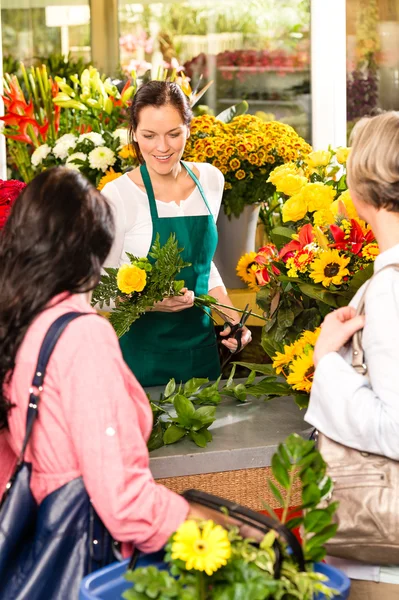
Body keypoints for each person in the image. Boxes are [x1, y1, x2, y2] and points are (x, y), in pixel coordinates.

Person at [0, 167, 238, 577]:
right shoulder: (82, 336)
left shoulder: (19, 320)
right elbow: (123, 502)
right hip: (84, 554)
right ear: (91, 252)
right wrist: (219, 529)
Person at [305, 111, 399, 599]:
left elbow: (395, 428)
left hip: (386, 563)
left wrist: (328, 362)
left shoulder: (389, 290)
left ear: (360, 195)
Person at [102, 81, 251, 387]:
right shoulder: (118, 195)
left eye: (173, 134)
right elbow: (97, 293)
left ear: (188, 128)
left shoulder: (210, 180)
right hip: (140, 360)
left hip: (201, 354)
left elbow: (203, 265)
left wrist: (233, 319)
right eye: (149, 136)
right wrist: (150, 303)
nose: (162, 147)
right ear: (133, 133)